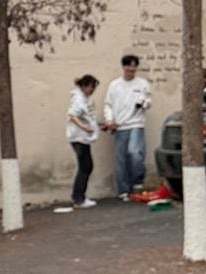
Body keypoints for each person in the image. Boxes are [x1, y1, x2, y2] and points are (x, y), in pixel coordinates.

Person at [103, 53, 153, 200]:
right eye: (128, 67)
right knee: (121, 159)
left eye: (133, 67)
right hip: (120, 125)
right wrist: (109, 120)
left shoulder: (143, 84)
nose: (131, 70)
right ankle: (124, 190)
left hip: (136, 123)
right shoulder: (115, 85)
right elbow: (108, 104)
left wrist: (143, 103)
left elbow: (149, 101)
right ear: (123, 67)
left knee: (135, 153)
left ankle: (137, 181)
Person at [59, 74, 100, 211]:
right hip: (79, 138)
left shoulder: (85, 98)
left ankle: (80, 196)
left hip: (83, 138)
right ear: (84, 86)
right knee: (85, 166)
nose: (92, 90)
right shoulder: (78, 99)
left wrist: (98, 125)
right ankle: (78, 198)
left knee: (86, 166)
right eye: (91, 87)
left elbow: (88, 117)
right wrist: (84, 128)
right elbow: (72, 115)